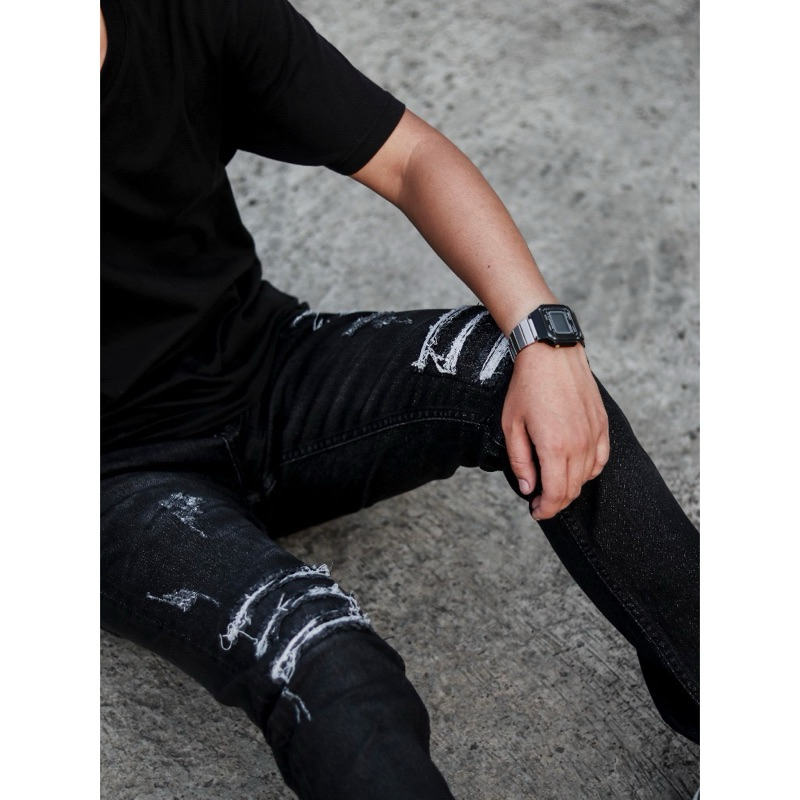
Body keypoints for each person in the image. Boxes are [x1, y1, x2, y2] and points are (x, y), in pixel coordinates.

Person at [100, 0, 699, 797]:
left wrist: (545, 336)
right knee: (321, 653)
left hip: (263, 371)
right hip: (111, 479)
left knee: (530, 378)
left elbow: (409, 157)